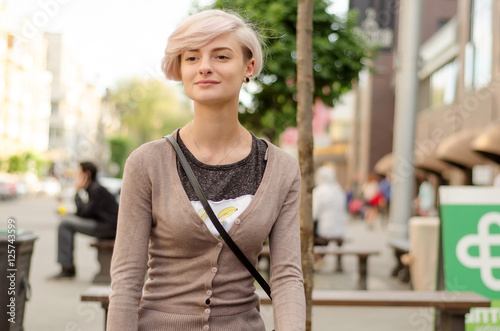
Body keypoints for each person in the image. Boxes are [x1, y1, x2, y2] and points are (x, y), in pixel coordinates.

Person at [107, 9, 305, 331]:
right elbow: (127, 278)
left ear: (248, 67)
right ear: (181, 69)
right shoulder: (147, 163)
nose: (205, 68)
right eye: (192, 58)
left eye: (221, 56)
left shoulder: (281, 169)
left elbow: (286, 277)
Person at [50, 161, 119, 279]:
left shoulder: (97, 190)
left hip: (107, 228)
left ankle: (67, 268)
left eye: (79, 173)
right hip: (106, 226)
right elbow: (86, 212)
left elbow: (84, 214)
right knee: (67, 221)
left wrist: (77, 192)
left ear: (86, 174)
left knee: (65, 223)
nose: (77, 177)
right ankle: (67, 266)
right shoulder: (95, 188)